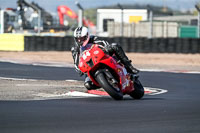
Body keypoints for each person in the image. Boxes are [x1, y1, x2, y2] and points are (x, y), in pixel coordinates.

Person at [71, 26, 139, 90]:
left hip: (100, 57)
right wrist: (81, 70)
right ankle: (104, 85)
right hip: (89, 67)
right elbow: (76, 63)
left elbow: (105, 44)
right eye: (78, 39)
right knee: (87, 85)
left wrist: (105, 49)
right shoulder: (75, 49)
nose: (80, 41)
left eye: (82, 38)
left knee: (115, 46)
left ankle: (129, 67)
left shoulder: (94, 39)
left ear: (87, 36)